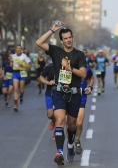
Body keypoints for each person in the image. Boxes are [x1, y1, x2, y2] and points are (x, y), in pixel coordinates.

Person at [35, 22, 87, 165]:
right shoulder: (56, 51)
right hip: (58, 91)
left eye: (70, 37)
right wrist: (52, 29)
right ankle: (59, 152)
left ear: (72, 38)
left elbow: (83, 73)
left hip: (74, 93)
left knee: (71, 125)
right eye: (65, 38)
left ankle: (70, 145)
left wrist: (69, 68)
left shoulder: (79, 55)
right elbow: (38, 42)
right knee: (60, 121)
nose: (68, 40)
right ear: (61, 40)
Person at [74, 67, 94, 155]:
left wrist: (89, 87)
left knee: (79, 122)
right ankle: (70, 143)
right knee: (69, 125)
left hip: (81, 97)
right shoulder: (67, 67)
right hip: (68, 98)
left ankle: (77, 140)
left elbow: (92, 77)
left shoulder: (86, 69)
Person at [12, 45, 31, 111]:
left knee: (21, 90)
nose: (18, 49)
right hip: (15, 73)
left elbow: (29, 66)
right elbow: (11, 63)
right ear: (15, 49)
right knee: (15, 89)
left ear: (21, 50)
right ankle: (15, 105)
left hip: (22, 73)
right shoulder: (13, 56)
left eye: (20, 48)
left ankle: (21, 96)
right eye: (17, 48)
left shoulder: (24, 56)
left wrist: (22, 65)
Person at [38, 63, 56, 133]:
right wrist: (48, 82)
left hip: (61, 93)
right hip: (50, 92)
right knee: (50, 114)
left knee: (59, 114)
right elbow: (41, 77)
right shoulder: (49, 67)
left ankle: (57, 131)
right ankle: (54, 121)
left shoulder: (66, 67)